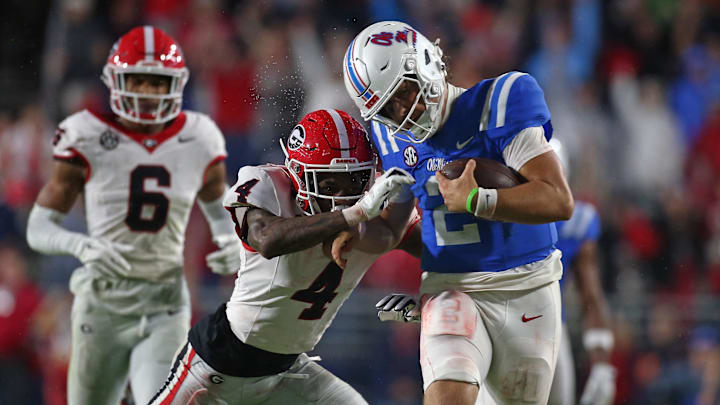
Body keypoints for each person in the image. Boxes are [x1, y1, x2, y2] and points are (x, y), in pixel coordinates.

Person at [342, 21, 573, 405]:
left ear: (428, 63)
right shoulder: (389, 138)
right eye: (388, 109)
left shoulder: (499, 102)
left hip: (527, 288)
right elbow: (395, 229)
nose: (403, 113)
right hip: (451, 290)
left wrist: (479, 201)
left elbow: (557, 200)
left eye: (404, 92)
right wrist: (356, 233)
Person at [26, 26, 243, 405]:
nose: (146, 93)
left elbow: (216, 204)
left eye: (157, 82)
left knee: (158, 400)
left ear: (175, 85)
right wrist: (80, 244)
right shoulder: (86, 134)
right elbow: (38, 226)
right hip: (102, 301)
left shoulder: (198, 136)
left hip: (164, 301)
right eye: (137, 81)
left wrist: (227, 239)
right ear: (114, 81)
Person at [148, 109, 415, 405]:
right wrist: (353, 215)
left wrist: (418, 182)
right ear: (297, 173)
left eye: (353, 182)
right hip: (219, 362)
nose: (341, 196)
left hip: (287, 369)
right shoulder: (268, 184)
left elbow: (413, 239)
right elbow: (268, 239)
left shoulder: (380, 199)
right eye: (328, 185)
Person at [546, 139, 616, 405]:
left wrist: (602, 365)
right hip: (502, 322)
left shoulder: (577, 223)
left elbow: (591, 296)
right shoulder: (502, 212)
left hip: (550, 327)